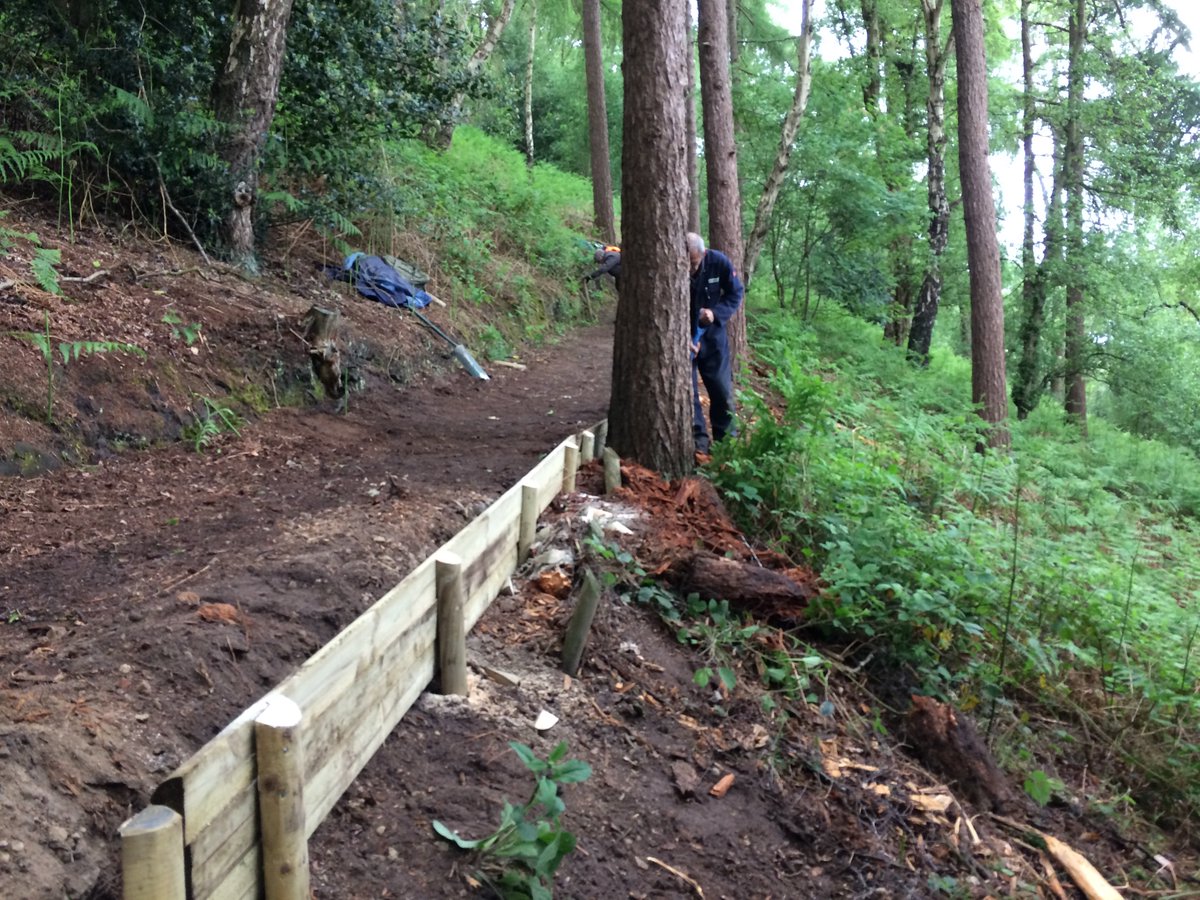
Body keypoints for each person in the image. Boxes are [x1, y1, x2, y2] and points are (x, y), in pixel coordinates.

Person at [687, 231, 743, 456]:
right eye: (687, 264)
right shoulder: (672, 265)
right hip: (684, 339)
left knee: (721, 390)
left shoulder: (718, 262)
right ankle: (698, 443)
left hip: (713, 337)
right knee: (688, 394)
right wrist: (682, 338)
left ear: (703, 253)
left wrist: (715, 313)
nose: (691, 269)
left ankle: (726, 445)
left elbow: (735, 293)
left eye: (694, 263)